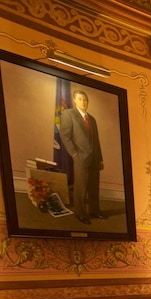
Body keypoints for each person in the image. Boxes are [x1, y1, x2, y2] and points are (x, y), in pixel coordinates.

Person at [59, 89, 105, 225]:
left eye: (85, 100)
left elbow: (96, 141)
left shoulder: (92, 119)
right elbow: (65, 136)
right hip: (80, 157)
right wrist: (74, 154)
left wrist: (100, 158)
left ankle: (95, 210)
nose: (83, 102)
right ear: (74, 100)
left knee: (94, 186)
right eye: (80, 99)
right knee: (81, 187)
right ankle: (80, 213)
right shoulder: (68, 114)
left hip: (94, 159)